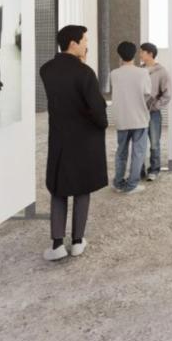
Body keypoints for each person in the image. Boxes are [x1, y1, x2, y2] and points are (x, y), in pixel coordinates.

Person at [40, 25, 109, 261]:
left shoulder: (46, 69)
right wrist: (102, 123)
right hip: (84, 140)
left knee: (58, 188)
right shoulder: (85, 73)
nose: (86, 44)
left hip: (59, 138)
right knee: (82, 188)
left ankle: (57, 245)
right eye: (84, 41)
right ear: (73, 43)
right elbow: (96, 108)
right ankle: (78, 241)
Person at [109, 41, 152, 194]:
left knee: (121, 151)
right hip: (139, 117)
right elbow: (147, 94)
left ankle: (118, 182)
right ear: (135, 55)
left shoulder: (114, 74)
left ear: (119, 55)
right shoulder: (143, 73)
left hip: (122, 118)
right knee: (138, 153)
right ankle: (132, 185)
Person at [139, 42, 171, 182]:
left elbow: (167, 94)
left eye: (142, 52)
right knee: (139, 143)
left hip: (153, 113)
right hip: (139, 112)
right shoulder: (139, 70)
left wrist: (154, 107)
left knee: (154, 143)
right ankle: (139, 171)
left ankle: (154, 170)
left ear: (150, 54)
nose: (140, 54)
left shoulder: (162, 71)